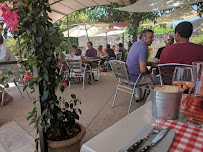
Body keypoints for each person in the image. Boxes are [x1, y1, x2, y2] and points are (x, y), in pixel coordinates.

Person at [126, 29, 157, 100]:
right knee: (157, 80)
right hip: (135, 79)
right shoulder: (143, 47)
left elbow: (136, 62)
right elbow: (143, 70)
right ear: (143, 37)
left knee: (139, 72)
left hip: (127, 77)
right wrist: (149, 72)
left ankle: (138, 95)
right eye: (150, 37)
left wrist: (147, 63)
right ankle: (149, 103)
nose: (152, 39)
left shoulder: (135, 44)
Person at [0, 34, 18, 104]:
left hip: (11, 73)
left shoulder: (4, 48)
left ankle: (6, 96)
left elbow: (2, 61)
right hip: (6, 72)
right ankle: (3, 95)